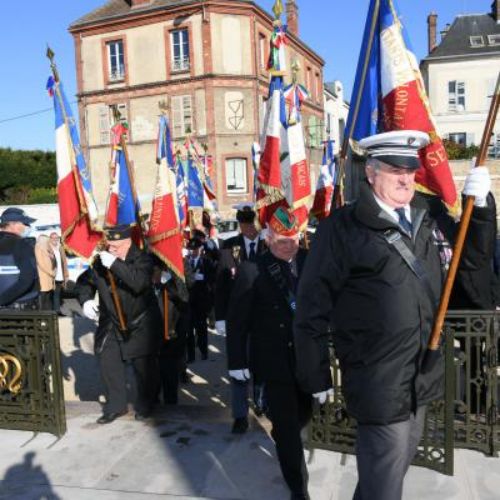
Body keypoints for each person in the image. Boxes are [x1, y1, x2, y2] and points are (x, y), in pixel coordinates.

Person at [293, 130, 496, 500]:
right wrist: (314, 371)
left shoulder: (428, 214)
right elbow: (311, 306)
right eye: (395, 170)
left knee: (386, 473)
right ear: (371, 173)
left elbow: (471, 262)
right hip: (378, 382)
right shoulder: (343, 227)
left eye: (411, 170)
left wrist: (480, 210)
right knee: (385, 484)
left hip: (423, 374)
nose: (406, 179)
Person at [227, 207, 312, 500]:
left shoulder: (310, 260)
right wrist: (236, 360)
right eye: (281, 241)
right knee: (288, 431)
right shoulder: (253, 269)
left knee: (303, 415)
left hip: (306, 359)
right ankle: (299, 489)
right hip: (274, 361)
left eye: (293, 239)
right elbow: (237, 319)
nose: (289, 246)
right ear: (268, 238)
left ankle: (285, 434)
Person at [77, 225, 162, 424]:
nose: (111, 250)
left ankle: (147, 403)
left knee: (143, 368)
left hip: (140, 321)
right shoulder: (102, 261)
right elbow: (84, 282)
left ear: (128, 242)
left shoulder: (143, 258)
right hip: (111, 322)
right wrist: (86, 300)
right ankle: (116, 406)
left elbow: (138, 282)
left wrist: (115, 264)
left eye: (116, 246)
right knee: (109, 363)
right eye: (109, 246)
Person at [215, 203, 267, 433]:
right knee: (238, 366)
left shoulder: (268, 244)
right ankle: (240, 415)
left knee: (262, 365)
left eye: (251, 223)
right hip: (237, 318)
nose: (248, 228)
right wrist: (220, 317)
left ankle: (262, 402)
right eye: (244, 224)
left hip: (263, 317)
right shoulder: (230, 247)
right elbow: (221, 284)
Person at [154, 262, 193, 404]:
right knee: (152, 370)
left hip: (172, 326)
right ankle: (153, 400)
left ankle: (170, 403)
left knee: (170, 369)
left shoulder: (180, 262)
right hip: (151, 325)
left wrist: (170, 282)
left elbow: (185, 295)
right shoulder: (148, 260)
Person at [0, 207, 39, 309]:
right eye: (25, 223)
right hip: (19, 308)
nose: (28, 227)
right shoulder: (22, 245)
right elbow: (27, 279)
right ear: (12, 224)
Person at [186, 237, 215, 362]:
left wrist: (203, 277)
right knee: (189, 330)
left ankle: (204, 351)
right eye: (191, 249)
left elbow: (212, 278)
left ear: (200, 249)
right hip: (188, 300)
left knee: (201, 328)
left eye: (195, 249)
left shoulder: (206, 262)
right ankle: (191, 355)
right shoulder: (185, 261)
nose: (193, 251)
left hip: (201, 301)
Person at [49, 232, 69, 314]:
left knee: (57, 293)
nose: (55, 239)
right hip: (51, 275)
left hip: (60, 275)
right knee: (51, 294)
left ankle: (57, 310)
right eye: (53, 238)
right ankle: (53, 311)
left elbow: (64, 262)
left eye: (57, 238)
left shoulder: (60, 248)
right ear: (50, 239)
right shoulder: (48, 248)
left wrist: (66, 274)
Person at [34, 234, 56, 310]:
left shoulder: (47, 249)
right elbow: (41, 264)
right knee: (43, 294)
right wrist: (50, 272)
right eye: (47, 241)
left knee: (48, 294)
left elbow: (53, 262)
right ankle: (41, 311)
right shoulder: (38, 248)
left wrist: (52, 256)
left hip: (49, 276)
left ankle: (48, 310)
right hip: (43, 276)